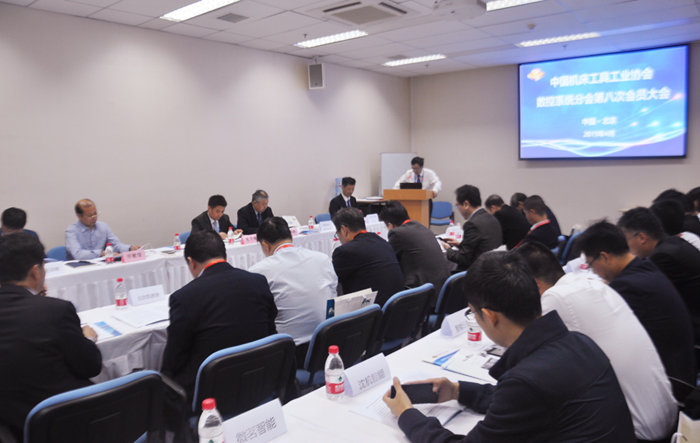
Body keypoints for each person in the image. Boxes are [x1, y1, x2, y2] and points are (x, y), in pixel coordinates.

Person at [383, 251, 635, 443]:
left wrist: (407, 414)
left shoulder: (526, 381)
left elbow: (522, 396)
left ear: (490, 316)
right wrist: (458, 391)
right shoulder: (578, 342)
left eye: (473, 313)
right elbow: (526, 401)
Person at [513, 241, 677, 441]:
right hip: (667, 417)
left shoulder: (555, 297)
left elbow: (523, 361)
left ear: (535, 284)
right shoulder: (592, 284)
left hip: (635, 431)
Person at [0, 234, 101, 441]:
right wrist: (88, 339)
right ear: (35, 272)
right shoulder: (56, 311)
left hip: (9, 423)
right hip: (62, 422)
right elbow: (90, 367)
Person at [161, 230, 277, 400]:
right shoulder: (258, 281)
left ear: (191, 263)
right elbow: (270, 329)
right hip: (259, 381)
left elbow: (174, 359)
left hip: (210, 395)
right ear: (225, 256)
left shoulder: (184, 298)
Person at [578, 220, 695, 385]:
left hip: (670, 381)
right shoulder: (643, 267)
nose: (594, 272)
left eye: (591, 265)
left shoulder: (627, 287)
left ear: (604, 257)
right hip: (680, 368)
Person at [249, 217, 337, 363]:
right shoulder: (322, 258)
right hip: (330, 343)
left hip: (292, 353)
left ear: (265, 245)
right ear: (290, 237)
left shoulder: (258, 271)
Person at [618, 206, 700, 345]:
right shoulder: (672, 243)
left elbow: (641, 292)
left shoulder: (663, 256)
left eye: (626, 241)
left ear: (641, 237)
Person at [379, 201, 450, 303]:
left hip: (424, 296)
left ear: (390, 225)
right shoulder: (423, 227)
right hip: (442, 291)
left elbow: (387, 261)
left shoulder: (397, 233)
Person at [331, 208, 404, 307]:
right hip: (396, 308)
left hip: (373, 312)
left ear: (344, 230)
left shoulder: (345, 251)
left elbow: (330, 281)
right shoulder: (383, 242)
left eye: (337, 234)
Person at [441, 185, 502, 272]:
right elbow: (480, 247)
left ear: (466, 204)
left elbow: (463, 259)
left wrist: (448, 249)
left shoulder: (472, 224)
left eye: (457, 206)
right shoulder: (491, 218)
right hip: (493, 269)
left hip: (476, 272)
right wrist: (460, 245)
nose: (458, 209)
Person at [65, 199, 140, 260]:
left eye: (95, 213)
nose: (94, 217)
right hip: (80, 268)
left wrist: (129, 248)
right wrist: (103, 253)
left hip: (101, 265)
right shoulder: (71, 231)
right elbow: (78, 254)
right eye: (90, 216)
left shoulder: (103, 226)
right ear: (79, 216)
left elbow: (115, 244)